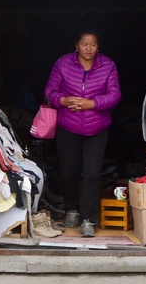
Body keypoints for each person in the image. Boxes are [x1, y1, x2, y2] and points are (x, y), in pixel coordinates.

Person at [44, 30, 121, 237]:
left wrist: (92, 104)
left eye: (93, 44)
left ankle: (88, 219)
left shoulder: (108, 65)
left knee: (92, 174)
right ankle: (71, 209)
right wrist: (64, 101)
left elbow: (114, 95)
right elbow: (50, 91)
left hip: (97, 128)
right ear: (76, 45)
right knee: (68, 171)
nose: (89, 49)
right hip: (67, 126)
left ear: (98, 46)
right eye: (85, 44)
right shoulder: (63, 63)